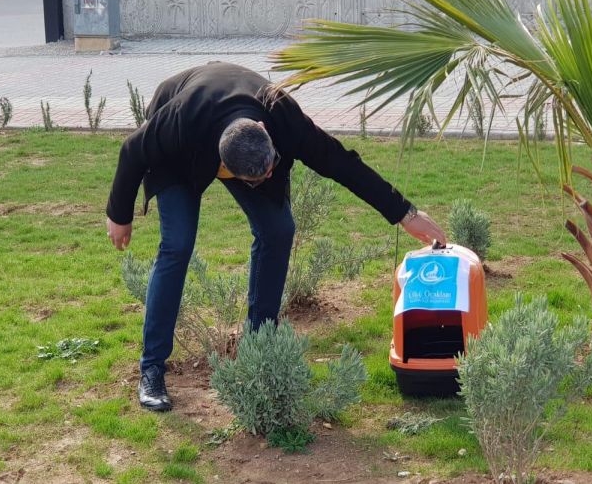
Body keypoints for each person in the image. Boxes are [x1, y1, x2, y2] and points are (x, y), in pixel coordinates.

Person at [106, 62, 446, 412]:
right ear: (225, 167)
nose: (268, 179)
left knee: (279, 229)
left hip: (236, 122)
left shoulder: (282, 116)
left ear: (264, 131)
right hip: (182, 148)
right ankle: (151, 369)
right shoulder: (180, 119)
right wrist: (119, 214)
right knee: (177, 244)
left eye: (271, 170)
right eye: (255, 180)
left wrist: (405, 214)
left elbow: (341, 163)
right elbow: (132, 151)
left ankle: (259, 346)